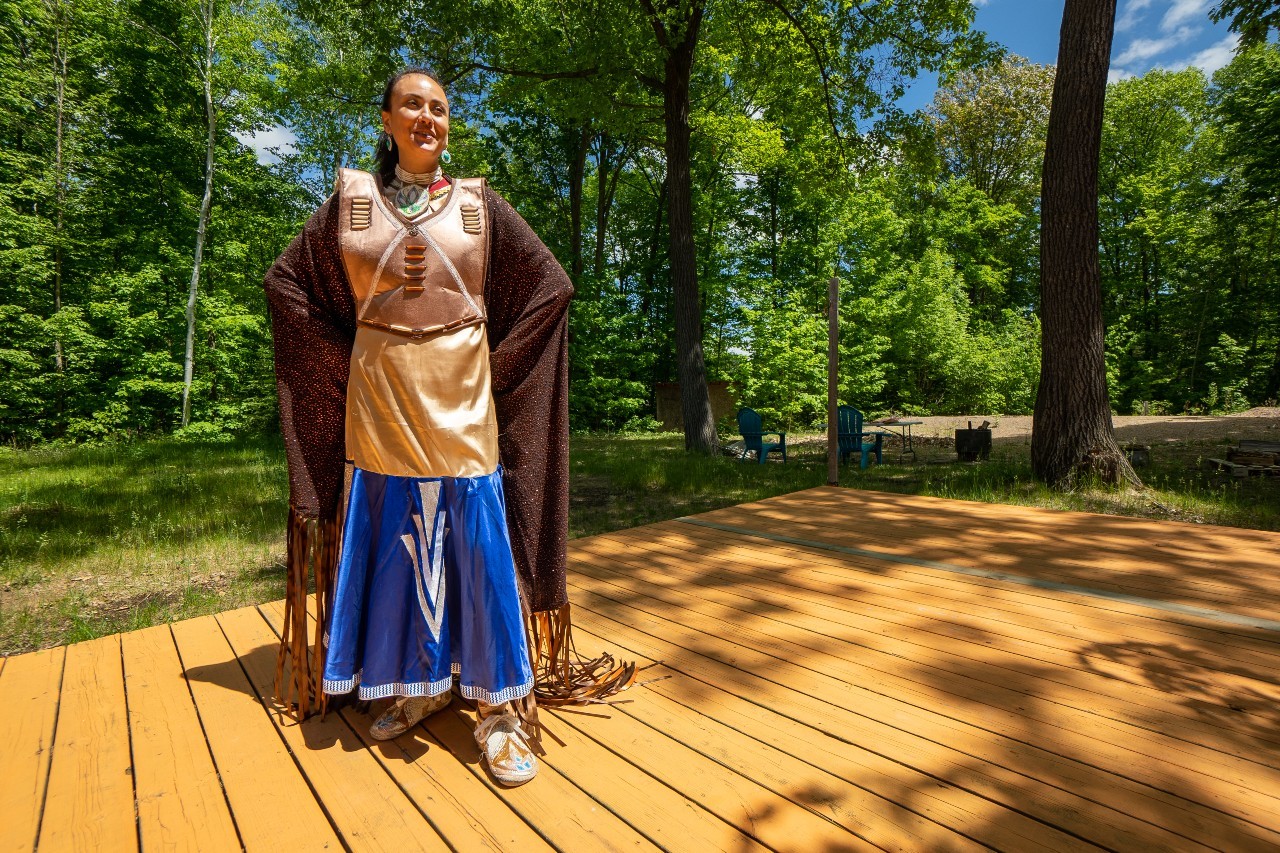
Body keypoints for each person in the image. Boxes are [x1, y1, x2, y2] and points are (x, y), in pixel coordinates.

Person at [263, 67, 631, 787]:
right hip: (380, 407)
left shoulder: (477, 206)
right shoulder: (351, 202)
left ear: (447, 124)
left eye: (438, 107)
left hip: (462, 407)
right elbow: (287, 283)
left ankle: (499, 712)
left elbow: (550, 285)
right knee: (398, 546)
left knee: (477, 546)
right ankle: (422, 681)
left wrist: (497, 369)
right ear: (386, 120)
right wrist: (342, 360)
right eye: (412, 105)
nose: (427, 117)